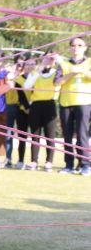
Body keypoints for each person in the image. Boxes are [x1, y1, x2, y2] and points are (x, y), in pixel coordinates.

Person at [54, 36, 91, 176]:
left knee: (82, 134)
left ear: (85, 47)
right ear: (70, 48)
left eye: (80, 45)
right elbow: (57, 82)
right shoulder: (63, 64)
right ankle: (68, 165)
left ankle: (85, 165)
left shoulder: (89, 62)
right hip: (66, 103)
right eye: (73, 45)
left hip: (84, 102)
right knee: (67, 135)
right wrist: (71, 73)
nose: (76, 48)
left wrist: (82, 71)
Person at [24, 53, 59, 171]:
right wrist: (40, 69)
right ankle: (34, 160)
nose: (48, 60)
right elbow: (27, 86)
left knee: (50, 135)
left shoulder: (56, 72)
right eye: (46, 58)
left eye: (51, 58)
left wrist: (56, 61)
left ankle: (49, 161)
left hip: (49, 104)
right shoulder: (36, 72)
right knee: (35, 134)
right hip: (36, 105)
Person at [4, 55, 34, 169]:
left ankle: (23, 160)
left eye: (23, 64)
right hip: (11, 105)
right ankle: (8, 159)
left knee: (24, 134)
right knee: (9, 133)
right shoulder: (11, 76)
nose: (21, 66)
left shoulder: (29, 78)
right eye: (19, 64)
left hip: (24, 108)